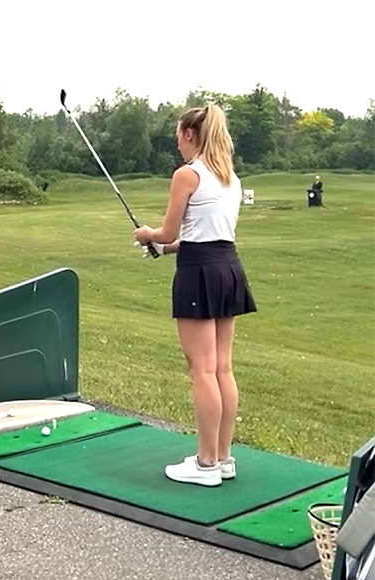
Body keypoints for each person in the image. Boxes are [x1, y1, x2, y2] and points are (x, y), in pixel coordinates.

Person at [133, 104, 257, 487]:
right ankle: (222, 458)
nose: (177, 143)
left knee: (202, 369)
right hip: (227, 267)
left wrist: (148, 235)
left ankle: (205, 465)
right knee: (222, 367)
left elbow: (169, 231)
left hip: (199, 274)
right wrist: (167, 249)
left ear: (190, 135)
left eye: (178, 136)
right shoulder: (229, 177)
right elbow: (201, 235)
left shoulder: (187, 175)